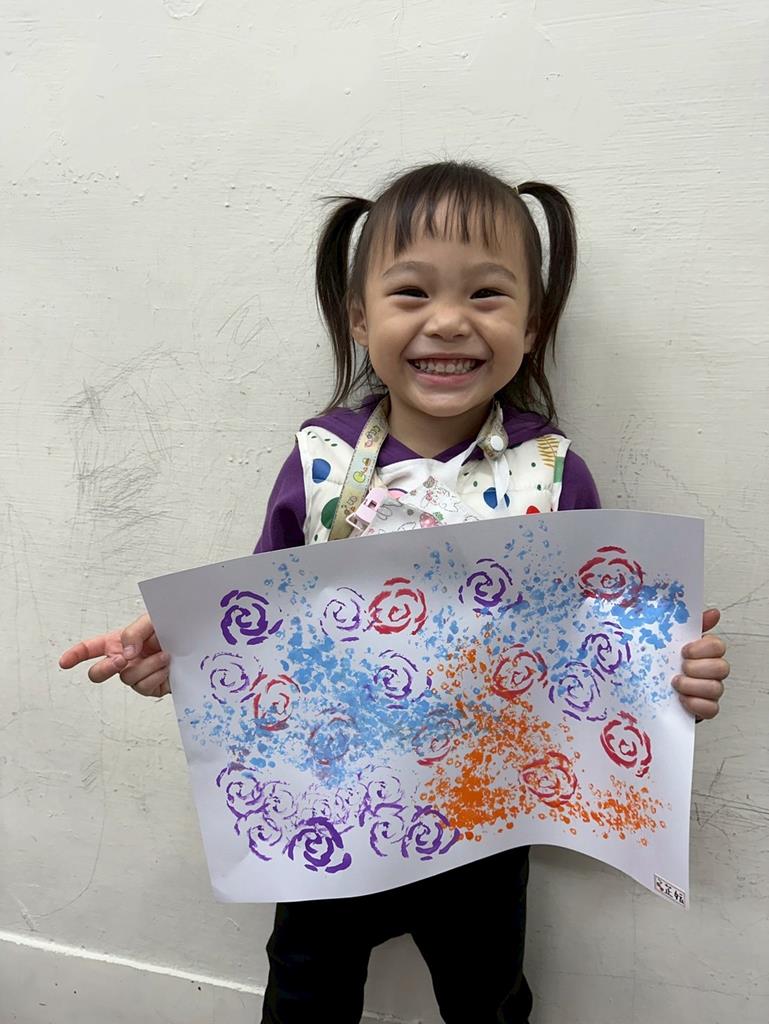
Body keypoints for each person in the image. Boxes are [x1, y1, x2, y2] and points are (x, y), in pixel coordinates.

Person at [59, 161, 730, 1024]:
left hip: (487, 817)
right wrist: (180, 654)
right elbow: (262, 626)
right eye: (411, 292)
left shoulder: (553, 475)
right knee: (305, 990)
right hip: (328, 803)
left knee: (487, 998)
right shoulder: (320, 463)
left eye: (486, 294)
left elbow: (590, 660)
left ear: (531, 326)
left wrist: (669, 678)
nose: (447, 320)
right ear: (358, 317)